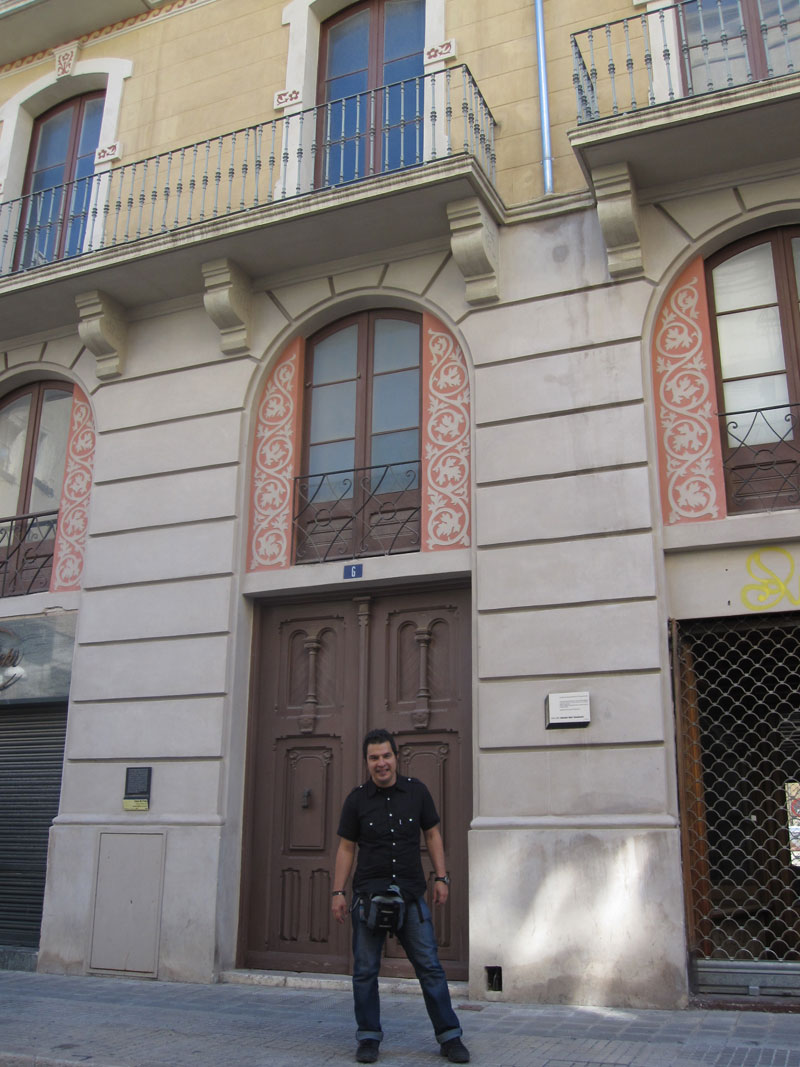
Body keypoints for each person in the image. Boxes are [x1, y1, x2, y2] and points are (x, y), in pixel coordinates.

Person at [332, 728, 470, 1065]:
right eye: (374, 758)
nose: (381, 763)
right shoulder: (356, 800)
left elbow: (433, 834)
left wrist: (442, 877)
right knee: (365, 971)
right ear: (366, 762)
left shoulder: (417, 792)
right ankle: (368, 1037)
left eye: (386, 756)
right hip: (368, 898)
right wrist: (337, 891)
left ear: (396, 757)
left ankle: (450, 1037)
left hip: (410, 897)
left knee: (430, 968)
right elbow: (346, 848)